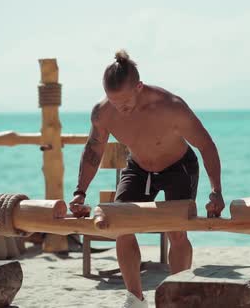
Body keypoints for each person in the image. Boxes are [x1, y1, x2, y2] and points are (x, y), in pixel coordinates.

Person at [69, 50, 225, 308]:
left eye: (125, 103)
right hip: (139, 168)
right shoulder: (103, 112)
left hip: (179, 168)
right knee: (120, 227)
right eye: (114, 102)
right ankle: (135, 298)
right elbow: (93, 151)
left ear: (139, 87)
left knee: (177, 232)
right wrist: (79, 193)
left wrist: (216, 192)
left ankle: (177, 296)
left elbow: (206, 145)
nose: (120, 109)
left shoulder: (171, 107)